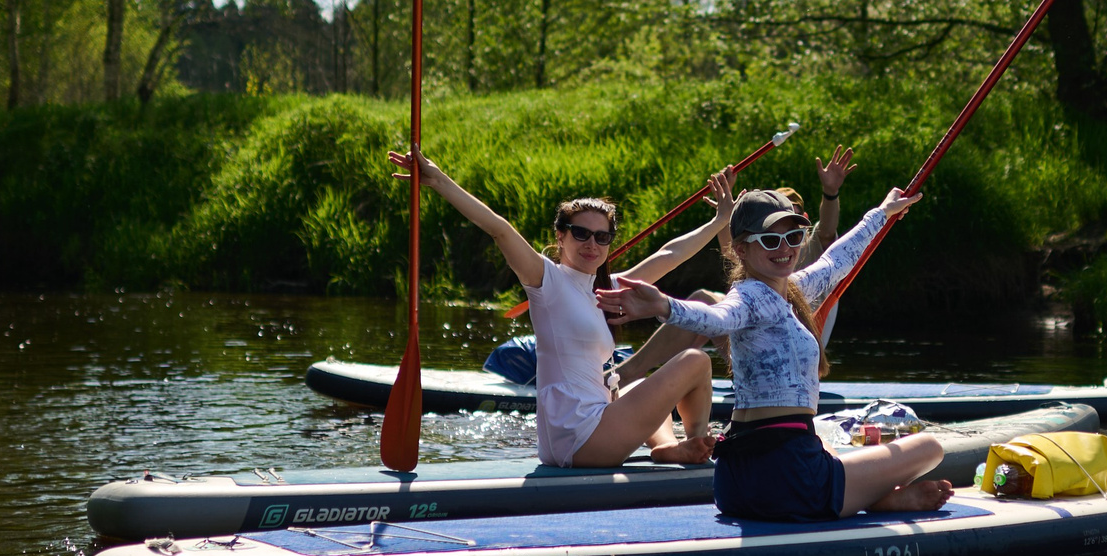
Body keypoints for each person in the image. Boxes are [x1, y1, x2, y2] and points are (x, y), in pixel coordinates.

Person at [594, 184, 953, 522]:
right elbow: (717, 318)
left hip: (736, 484)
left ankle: (871, 496)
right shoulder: (749, 297)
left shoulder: (789, 289)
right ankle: (879, 499)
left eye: (794, 236)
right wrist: (665, 306)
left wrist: (883, 212)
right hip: (789, 478)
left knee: (827, 450)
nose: (785, 248)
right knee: (929, 448)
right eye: (770, 239)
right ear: (741, 249)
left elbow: (836, 262)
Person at [391, 154, 735, 468]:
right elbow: (499, 228)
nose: (592, 244)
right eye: (582, 233)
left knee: (631, 384)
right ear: (561, 236)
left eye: (602, 237)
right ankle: (697, 445)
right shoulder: (547, 280)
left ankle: (670, 447)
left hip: (577, 433)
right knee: (696, 360)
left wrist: (721, 220)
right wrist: (438, 181)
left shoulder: (606, 287)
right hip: (584, 435)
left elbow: (670, 255)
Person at [617, 144, 858, 383]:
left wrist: (830, 192)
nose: (782, 235)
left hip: (798, 355)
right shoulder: (757, 249)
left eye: (791, 224)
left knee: (705, 303)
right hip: (759, 340)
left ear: (803, 221)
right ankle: (646, 376)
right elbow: (732, 254)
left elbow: (828, 230)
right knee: (705, 300)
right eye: (772, 222)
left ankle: (630, 373)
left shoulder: (813, 244)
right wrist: (727, 216)